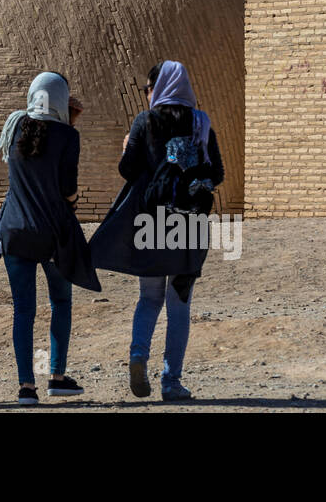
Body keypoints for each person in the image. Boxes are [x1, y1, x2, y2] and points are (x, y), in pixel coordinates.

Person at [89, 60, 224, 402]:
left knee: (149, 298)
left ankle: (138, 357)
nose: (148, 94)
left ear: (157, 88)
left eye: (149, 89)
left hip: (152, 221)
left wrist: (126, 148)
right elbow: (217, 173)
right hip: (190, 223)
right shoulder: (201, 122)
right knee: (179, 304)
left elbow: (128, 169)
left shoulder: (144, 121)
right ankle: (171, 381)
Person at [0, 71, 101, 407]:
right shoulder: (68, 136)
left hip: (15, 232)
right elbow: (67, 189)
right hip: (52, 235)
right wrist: (71, 124)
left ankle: (26, 387)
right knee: (60, 303)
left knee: (23, 310)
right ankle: (57, 377)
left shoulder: (15, 126)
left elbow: (32, 154)